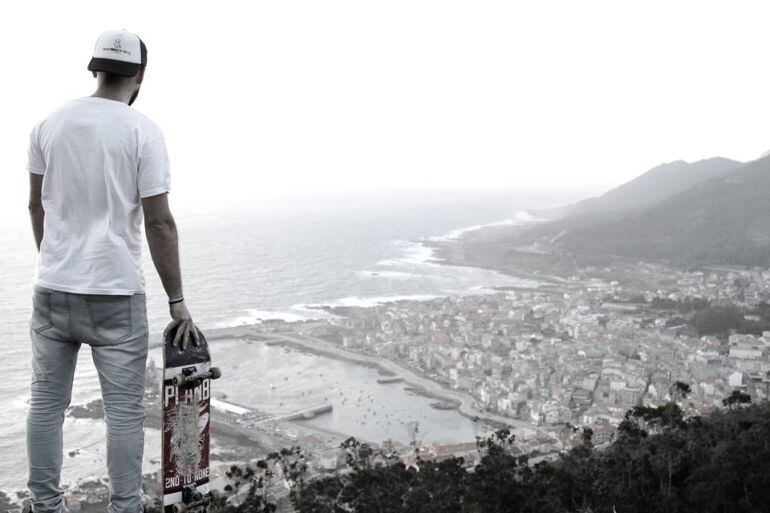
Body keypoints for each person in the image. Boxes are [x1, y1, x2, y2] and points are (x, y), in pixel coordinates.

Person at [25, 29, 197, 513]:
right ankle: (124, 506)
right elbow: (159, 223)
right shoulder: (143, 131)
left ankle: (45, 506)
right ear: (140, 75)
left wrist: (53, 259)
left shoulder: (48, 125)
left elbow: (36, 206)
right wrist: (177, 300)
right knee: (123, 413)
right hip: (117, 293)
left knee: (45, 405)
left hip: (53, 289)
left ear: (93, 68)